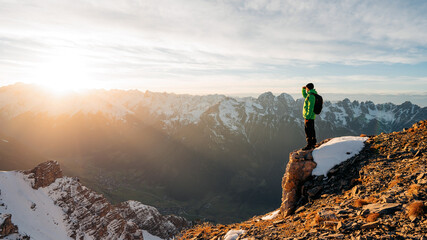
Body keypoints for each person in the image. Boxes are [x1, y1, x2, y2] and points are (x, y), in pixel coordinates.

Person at [302, 83, 317, 150]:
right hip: (310, 116)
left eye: (306, 88)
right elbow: (304, 95)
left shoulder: (311, 96)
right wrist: (303, 89)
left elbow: (310, 107)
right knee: (311, 129)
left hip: (309, 117)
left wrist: (307, 116)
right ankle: (313, 143)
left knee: (308, 130)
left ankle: (309, 144)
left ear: (308, 88)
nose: (306, 89)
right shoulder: (310, 95)